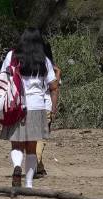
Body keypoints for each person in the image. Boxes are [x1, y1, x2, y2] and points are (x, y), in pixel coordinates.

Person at [0, 29, 57, 189]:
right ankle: (29, 184)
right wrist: (53, 108)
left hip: (16, 106)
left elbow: (3, 77)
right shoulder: (44, 60)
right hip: (37, 106)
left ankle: (17, 166)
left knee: (16, 145)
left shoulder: (12, 56)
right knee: (31, 149)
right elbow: (53, 85)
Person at [36, 35, 61, 177]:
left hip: (29, 105)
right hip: (44, 104)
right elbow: (55, 88)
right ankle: (36, 162)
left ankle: (39, 166)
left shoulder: (24, 61)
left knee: (33, 138)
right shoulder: (48, 64)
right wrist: (54, 109)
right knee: (42, 138)